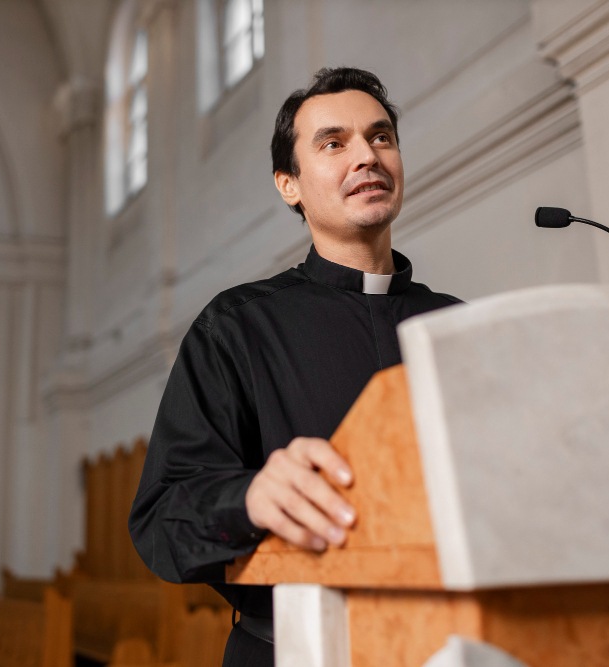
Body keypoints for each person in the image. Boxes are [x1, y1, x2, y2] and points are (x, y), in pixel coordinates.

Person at [129, 67, 461, 666]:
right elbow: (160, 520)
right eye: (334, 143)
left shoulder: (455, 326)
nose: (367, 155)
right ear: (289, 185)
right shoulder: (237, 325)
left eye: (381, 137)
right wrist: (251, 496)